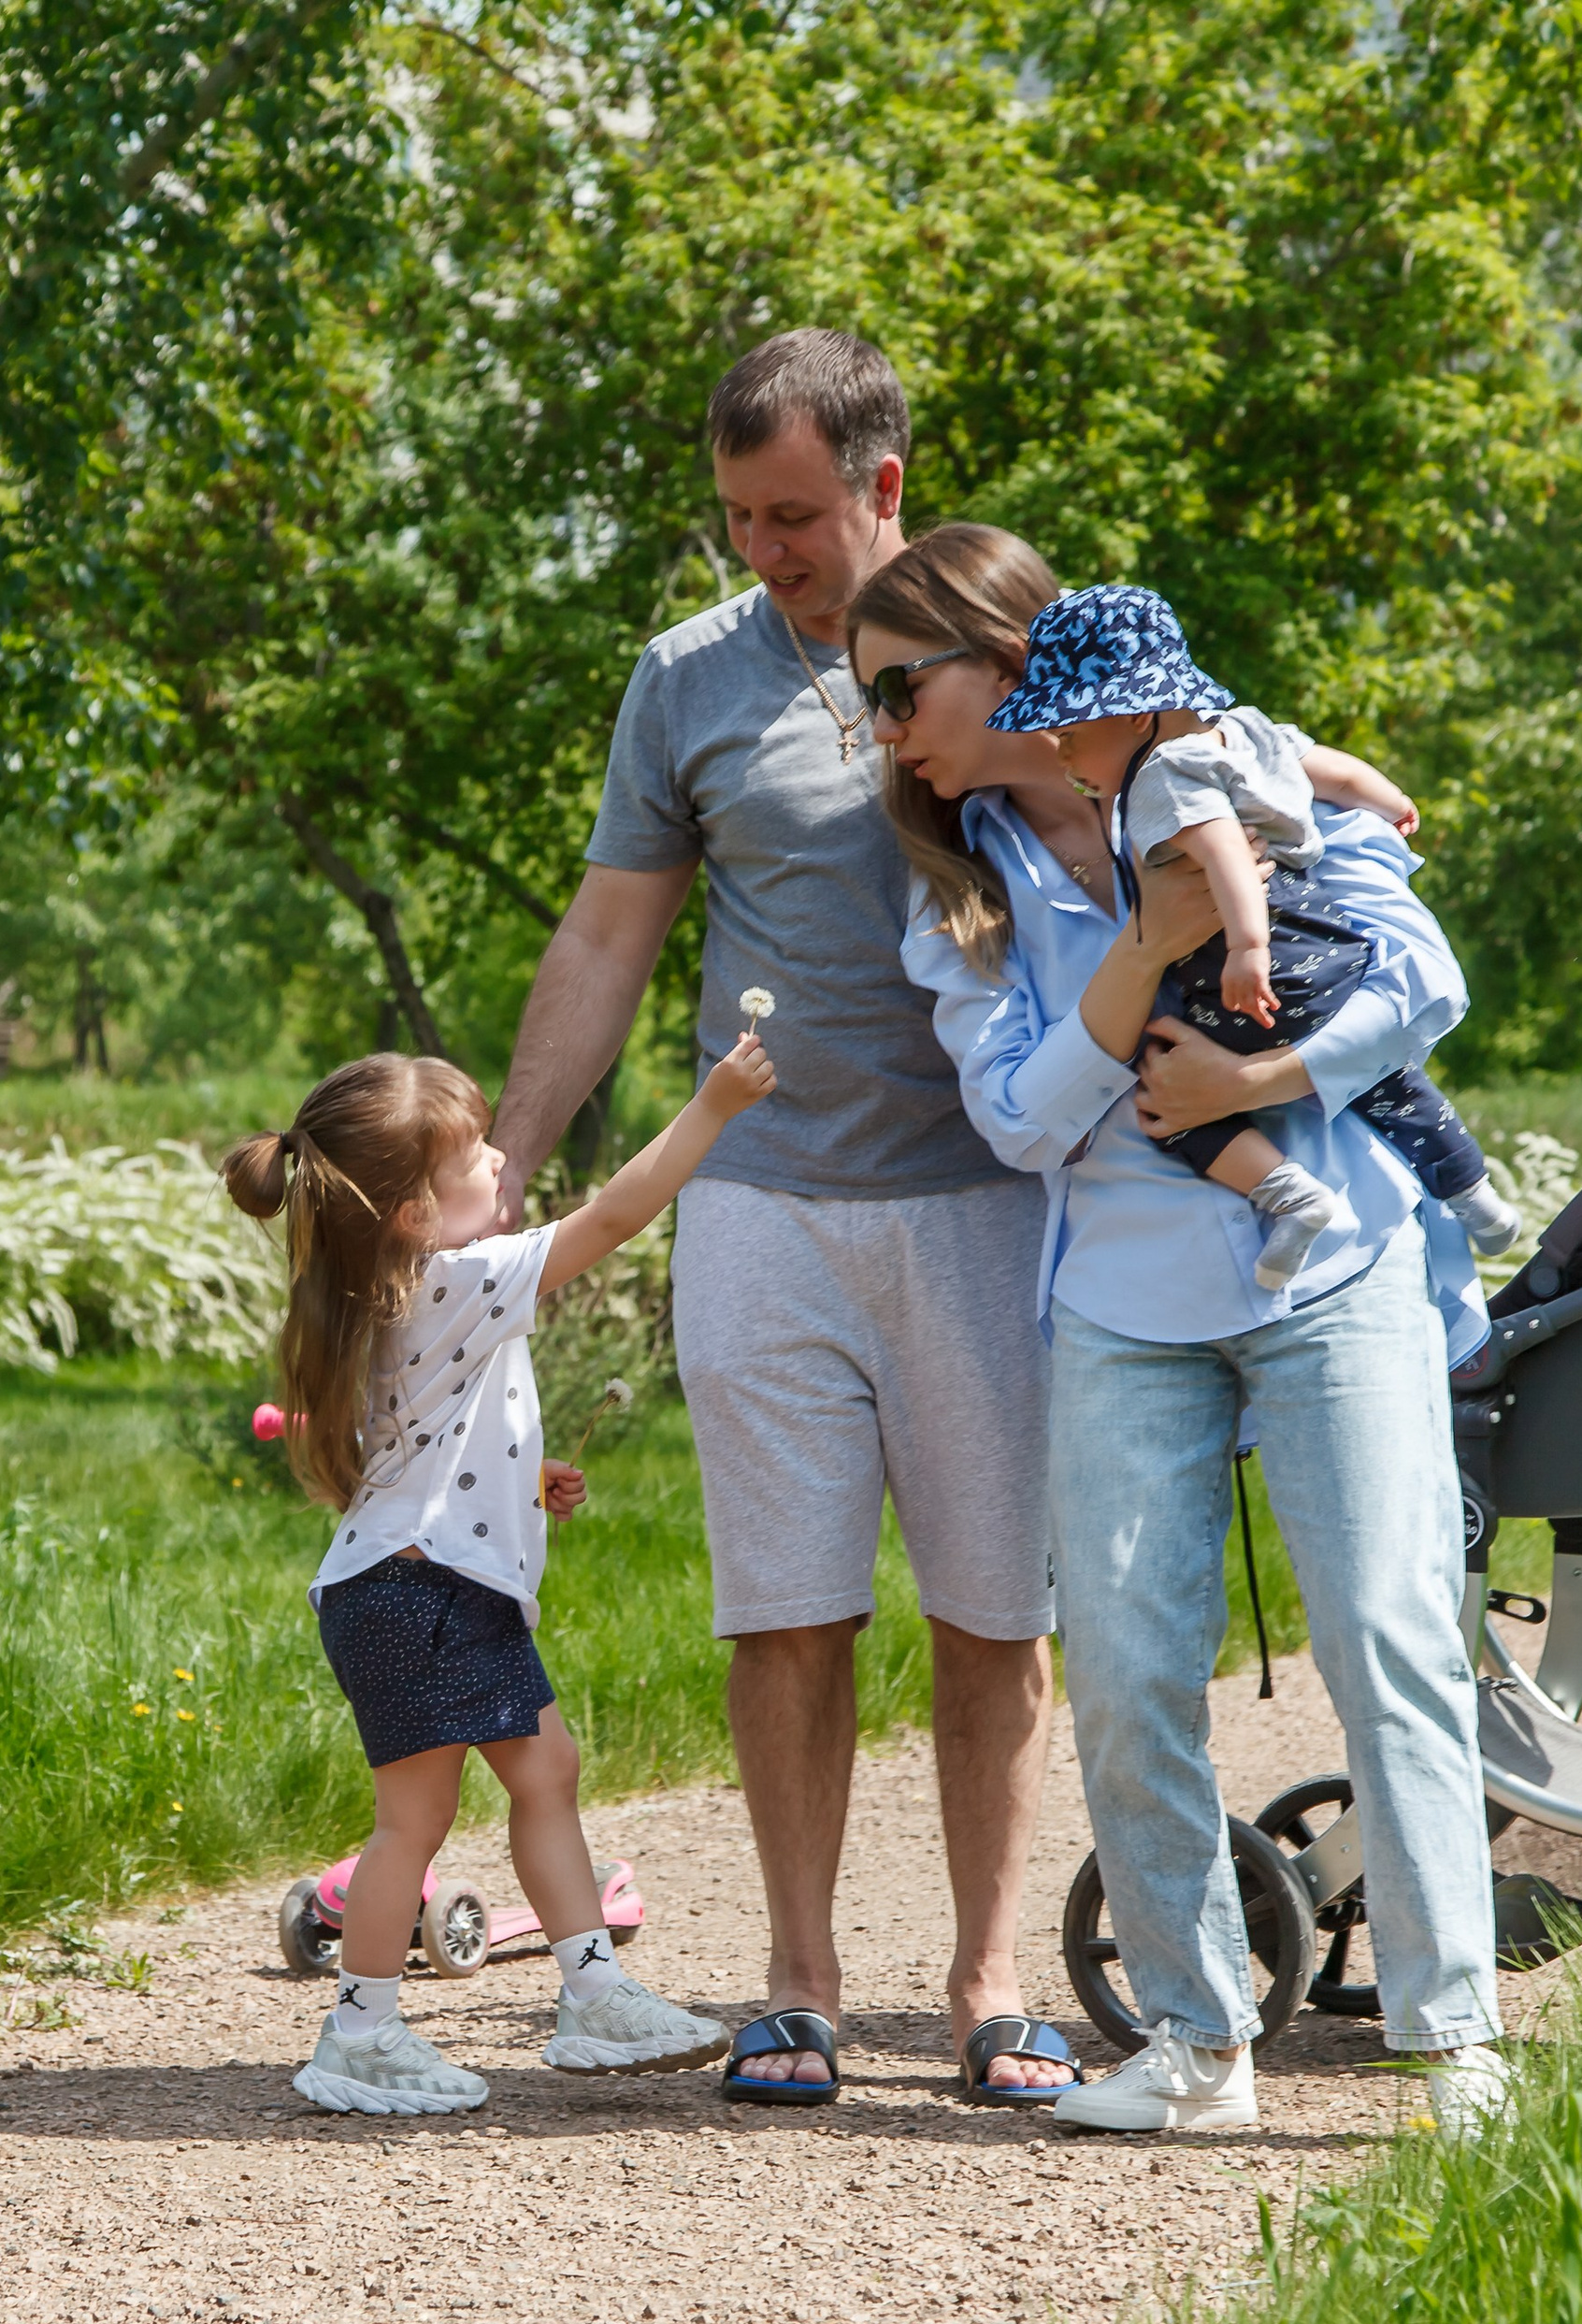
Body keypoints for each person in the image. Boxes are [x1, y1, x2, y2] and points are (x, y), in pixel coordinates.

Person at [848, 522, 1510, 2139]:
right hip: (1121, 1311)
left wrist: (1258, 1079)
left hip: (1335, 1274)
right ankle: (1198, 2046)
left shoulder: (1233, 768)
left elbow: (1421, 979)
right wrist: (1147, 947)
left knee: (1389, 1640)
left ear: (1005, 655)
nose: (883, 730)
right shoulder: (958, 893)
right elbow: (1020, 1117)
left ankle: (1452, 2041)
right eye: (867, 703)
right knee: (1131, 1672)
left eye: (899, 688)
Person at [490, 329, 1076, 2107]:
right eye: (739, 516)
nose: (764, 550)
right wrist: (506, 1177)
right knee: (786, 1608)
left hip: (988, 1202)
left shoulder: (1008, 641)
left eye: (796, 515)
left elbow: (1172, 786)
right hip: (761, 1203)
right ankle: (799, 1983)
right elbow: (609, 938)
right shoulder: (686, 680)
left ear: (884, 485)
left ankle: (987, 1985)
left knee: (995, 1609)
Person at [223, 1034, 774, 2116]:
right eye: (472, 1155)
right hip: (426, 1595)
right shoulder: (460, 1277)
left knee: (537, 1772)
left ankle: (586, 1991)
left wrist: (522, 1477)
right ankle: (368, 2032)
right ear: (411, 1213)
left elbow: (417, 1444)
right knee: (423, 1819)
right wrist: (711, 1106)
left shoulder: (369, 1295)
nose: (497, 1162)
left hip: (409, 1587)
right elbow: (611, 1219)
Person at [986, 583, 1520, 1290]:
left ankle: (1290, 1198)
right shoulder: (1246, 732)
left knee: (1166, 1096)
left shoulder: (1163, 775)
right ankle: (1474, 1193)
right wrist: (1391, 802)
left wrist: (1247, 950)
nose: (1062, 756)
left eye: (1071, 735)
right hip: (1330, 948)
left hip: (1251, 967)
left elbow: (1226, 854)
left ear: (1136, 715)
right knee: (1385, 1080)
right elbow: (1331, 768)